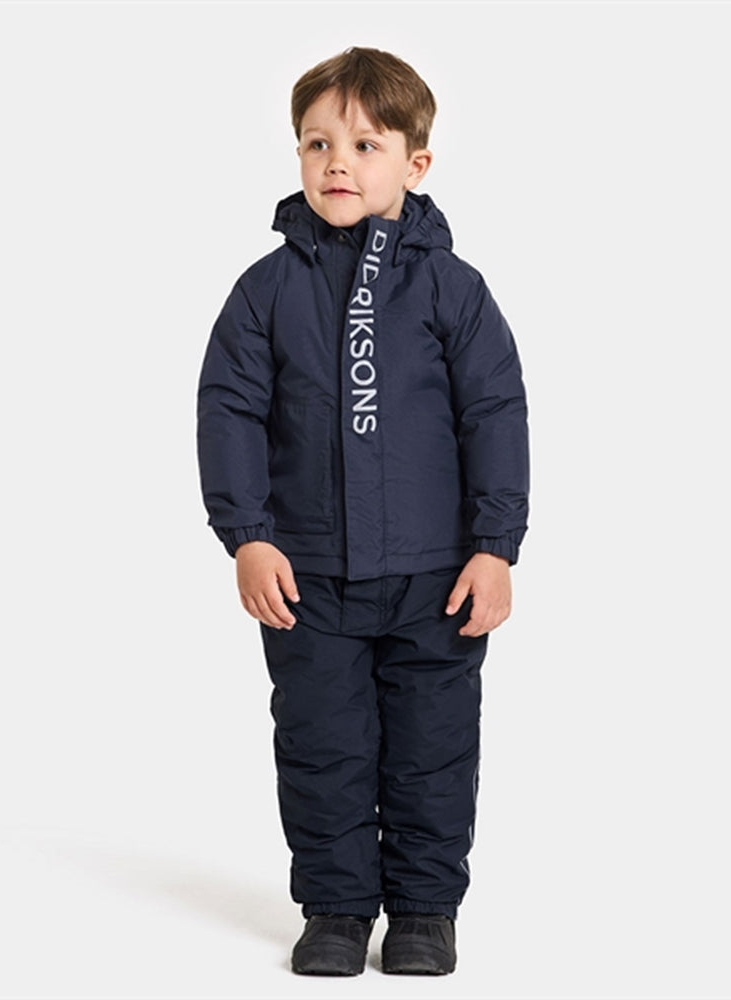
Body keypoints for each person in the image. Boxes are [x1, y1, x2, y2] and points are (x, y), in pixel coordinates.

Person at [196, 46, 530, 977]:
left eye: (364, 145)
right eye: (317, 143)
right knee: (322, 749)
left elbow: (495, 413)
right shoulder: (265, 292)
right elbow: (228, 411)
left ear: (415, 164)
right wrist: (247, 535)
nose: (337, 163)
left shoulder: (454, 290)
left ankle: (424, 910)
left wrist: (495, 545)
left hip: (435, 578)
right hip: (309, 578)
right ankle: (337, 909)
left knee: (433, 751)